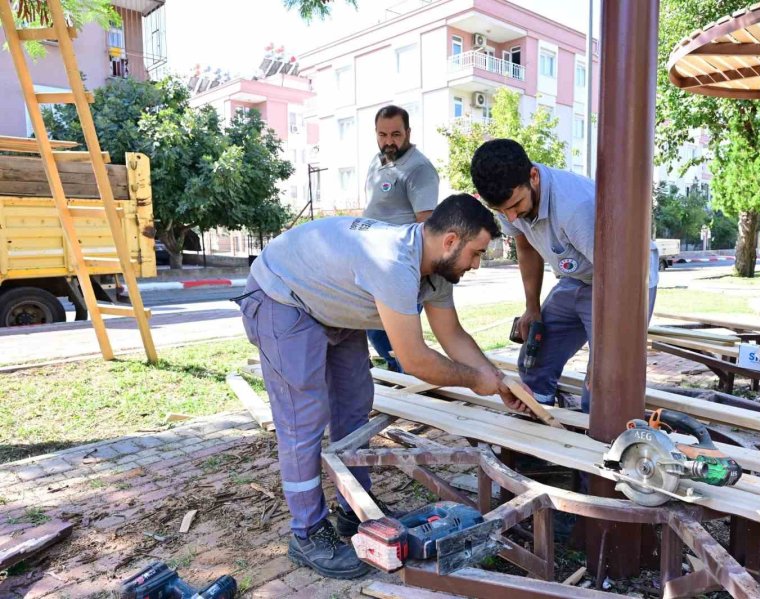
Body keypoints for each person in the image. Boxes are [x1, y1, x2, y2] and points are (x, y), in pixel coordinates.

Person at [237, 194, 528, 579]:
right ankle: (307, 533)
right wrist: (476, 380)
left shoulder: (437, 270)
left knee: (355, 404)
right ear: (451, 241)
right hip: (282, 297)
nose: (476, 265)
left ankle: (352, 509)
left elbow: (453, 335)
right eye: (476, 253)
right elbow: (415, 359)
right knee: (302, 418)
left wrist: (499, 379)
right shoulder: (393, 262)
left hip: (332, 303)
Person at [470, 138, 658, 413]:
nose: (511, 217)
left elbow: (618, 282)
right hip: (580, 276)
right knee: (533, 362)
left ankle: (597, 450)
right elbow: (525, 245)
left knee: (604, 384)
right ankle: (538, 432)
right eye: (502, 211)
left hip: (626, 280)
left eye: (515, 205)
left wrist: (602, 361)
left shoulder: (577, 208)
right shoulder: (507, 202)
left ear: (533, 176)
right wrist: (531, 308)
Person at [363, 105, 440, 373]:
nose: (389, 141)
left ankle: (414, 384)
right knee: (376, 331)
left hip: (401, 268)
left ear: (408, 132)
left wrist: (419, 272)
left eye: (396, 134)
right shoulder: (378, 161)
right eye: (382, 134)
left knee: (396, 336)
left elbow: (427, 225)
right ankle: (405, 375)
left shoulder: (419, 169)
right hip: (374, 266)